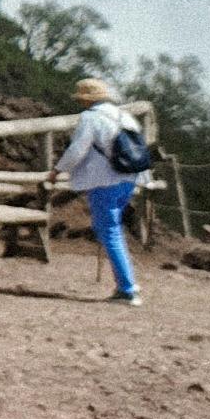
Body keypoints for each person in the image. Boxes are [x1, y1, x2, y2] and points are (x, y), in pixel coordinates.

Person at [49, 75, 144, 305]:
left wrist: (57, 170)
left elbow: (77, 149)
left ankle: (127, 289)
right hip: (130, 177)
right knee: (113, 230)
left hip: (105, 180)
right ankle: (127, 281)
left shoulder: (90, 117)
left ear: (86, 99)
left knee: (109, 231)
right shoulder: (126, 116)